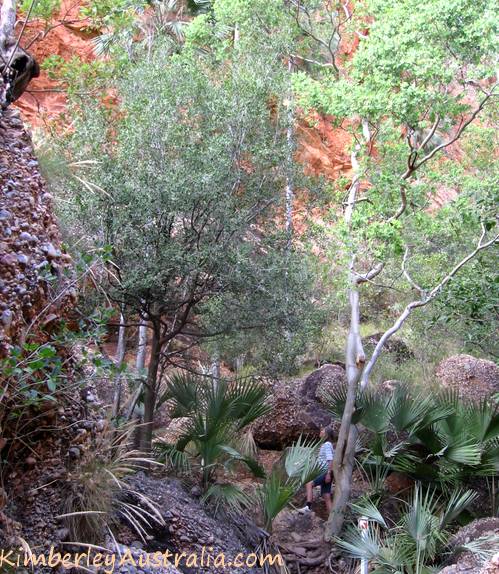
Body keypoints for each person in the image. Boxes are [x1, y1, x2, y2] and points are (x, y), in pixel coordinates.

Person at [298, 426, 335, 514]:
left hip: (325, 471)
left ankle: (308, 506)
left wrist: (328, 473)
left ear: (326, 434)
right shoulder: (326, 445)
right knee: (326, 496)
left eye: (323, 430)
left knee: (309, 483)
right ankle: (332, 519)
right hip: (326, 472)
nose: (321, 431)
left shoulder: (327, 445)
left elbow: (330, 459)